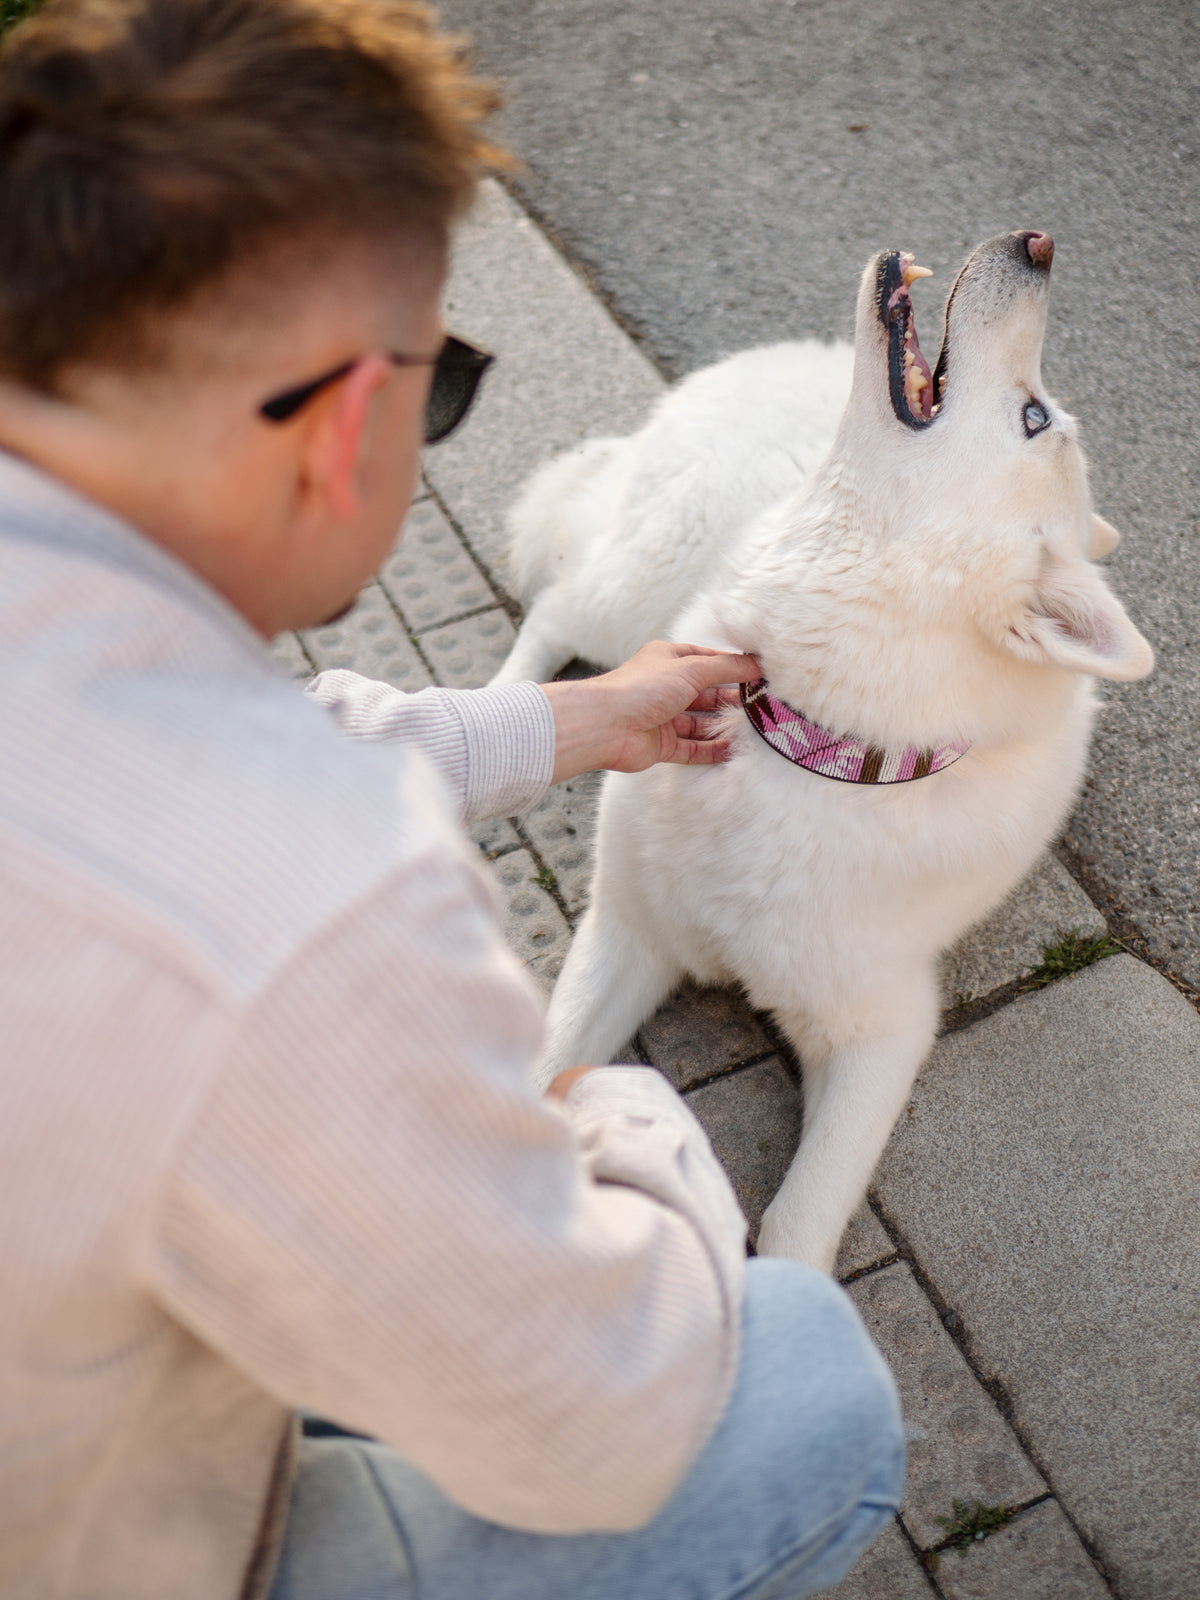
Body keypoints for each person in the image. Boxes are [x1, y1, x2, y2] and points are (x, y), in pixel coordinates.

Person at [0, 1, 904, 1596]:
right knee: (803, 1378)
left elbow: (208, 748)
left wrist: (571, 721)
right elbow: (605, 1429)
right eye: (447, 382)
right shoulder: (315, 899)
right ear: (352, 418)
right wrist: (609, 1119)